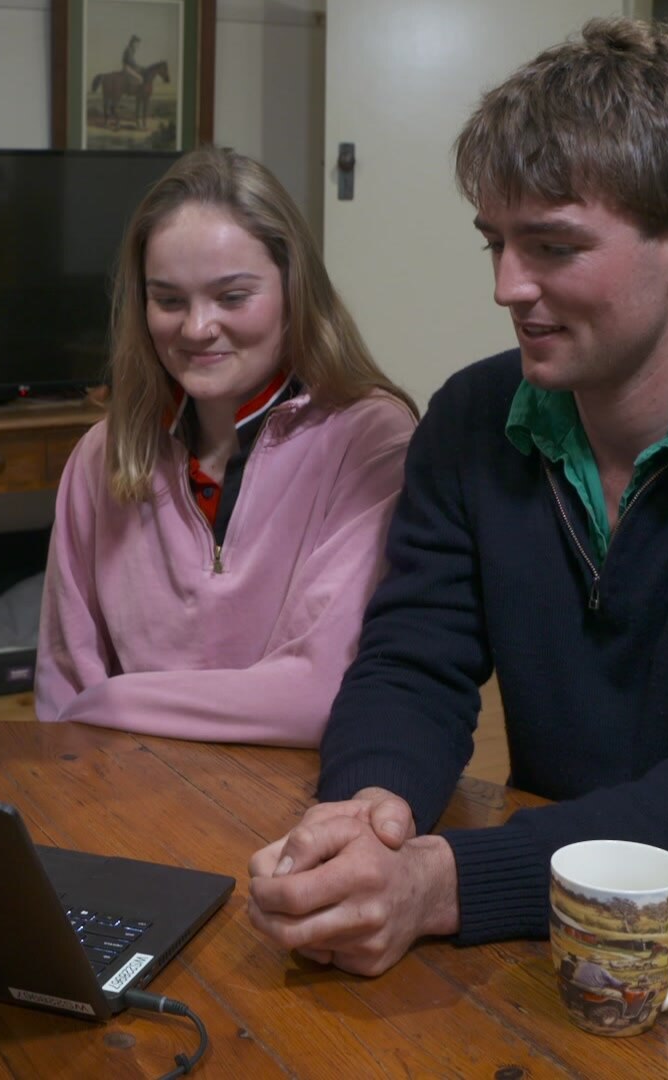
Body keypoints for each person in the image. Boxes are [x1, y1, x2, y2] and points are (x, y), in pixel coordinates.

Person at [246, 18, 668, 1049]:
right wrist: (365, 815)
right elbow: (414, 662)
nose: (506, 287)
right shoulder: (472, 420)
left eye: (554, 247)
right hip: (559, 893)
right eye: (495, 242)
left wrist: (440, 883)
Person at [35, 147, 417, 745]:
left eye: (233, 297)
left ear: (296, 289)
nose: (196, 328)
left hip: (299, 789)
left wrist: (111, 699)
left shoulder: (372, 439)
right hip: (128, 779)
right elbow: (62, 688)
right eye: (169, 300)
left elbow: (320, 694)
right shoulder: (101, 454)